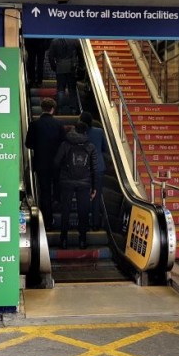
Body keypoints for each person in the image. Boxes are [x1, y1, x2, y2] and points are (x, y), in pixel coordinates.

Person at [54, 121, 98, 249]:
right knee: (83, 211)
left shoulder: (65, 144)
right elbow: (94, 168)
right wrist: (94, 187)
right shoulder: (90, 146)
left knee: (65, 210)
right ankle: (82, 240)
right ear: (86, 132)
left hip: (66, 181)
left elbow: (56, 162)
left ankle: (63, 240)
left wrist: (63, 171)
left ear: (74, 129)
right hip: (84, 182)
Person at [25, 98, 67, 228]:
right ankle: (58, 204)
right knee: (57, 186)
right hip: (57, 163)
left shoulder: (34, 125)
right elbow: (64, 144)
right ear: (53, 109)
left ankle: (48, 221)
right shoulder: (59, 124)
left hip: (41, 164)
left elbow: (28, 144)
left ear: (42, 108)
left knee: (45, 192)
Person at [79, 112, 108, 230]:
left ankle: (84, 224)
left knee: (84, 196)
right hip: (99, 168)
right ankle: (95, 224)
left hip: (84, 168)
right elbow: (104, 148)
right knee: (96, 196)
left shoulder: (80, 133)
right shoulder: (99, 132)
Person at [47, 37, 81, 114]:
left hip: (60, 67)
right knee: (72, 89)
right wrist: (80, 66)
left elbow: (50, 56)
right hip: (72, 68)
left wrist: (54, 66)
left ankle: (60, 109)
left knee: (61, 89)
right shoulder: (75, 40)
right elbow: (80, 54)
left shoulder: (55, 41)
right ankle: (74, 109)